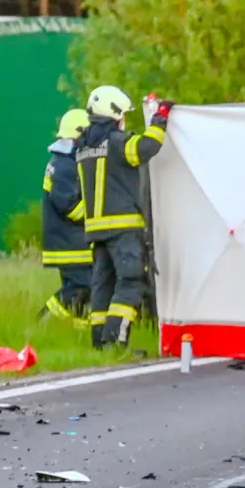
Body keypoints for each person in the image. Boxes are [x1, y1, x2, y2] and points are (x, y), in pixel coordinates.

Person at [74, 85, 173, 349]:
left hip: (96, 231)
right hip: (123, 228)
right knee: (130, 281)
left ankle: (99, 343)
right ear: (115, 114)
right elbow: (146, 147)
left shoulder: (83, 146)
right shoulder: (116, 142)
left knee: (103, 286)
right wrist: (161, 117)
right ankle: (115, 341)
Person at [39, 108, 92, 323]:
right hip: (70, 245)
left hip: (70, 243)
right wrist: (94, 218)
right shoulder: (64, 165)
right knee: (81, 287)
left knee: (84, 290)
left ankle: (80, 330)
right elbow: (68, 206)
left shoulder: (63, 161)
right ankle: (44, 320)